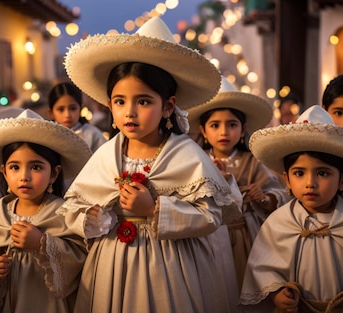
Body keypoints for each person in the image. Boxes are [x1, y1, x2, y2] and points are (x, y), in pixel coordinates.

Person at [57, 16, 243, 312]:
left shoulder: (185, 154)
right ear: (109, 105)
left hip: (172, 262)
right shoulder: (106, 155)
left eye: (143, 102)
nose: (129, 112)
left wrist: (155, 210)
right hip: (113, 261)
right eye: (120, 101)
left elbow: (210, 216)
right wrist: (95, 214)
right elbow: (74, 206)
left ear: (167, 106)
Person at [0, 109, 90, 313]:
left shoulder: (63, 212)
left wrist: (42, 243)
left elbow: (80, 256)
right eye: (15, 167)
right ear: (4, 173)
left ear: (54, 173)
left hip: (48, 302)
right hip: (9, 298)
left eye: (36, 167)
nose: (24, 176)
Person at [187, 76, 290, 308]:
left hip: (246, 233)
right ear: (203, 130)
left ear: (243, 129)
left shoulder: (253, 161)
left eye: (231, 125)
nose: (224, 131)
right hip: (210, 233)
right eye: (215, 125)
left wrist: (263, 198)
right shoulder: (197, 161)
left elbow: (277, 190)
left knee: (243, 279)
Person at [240, 105, 343, 312]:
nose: (310, 183)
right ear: (286, 179)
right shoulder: (279, 223)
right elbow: (263, 266)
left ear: (342, 180)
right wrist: (277, 292)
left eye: (322, 173)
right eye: (299, 173)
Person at [48, 81, 106, 152]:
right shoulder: (47, 136)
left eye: (73, 108)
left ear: (80, 109)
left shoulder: (93, 134)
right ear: (51, 113)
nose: (67, 115)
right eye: (61, 109)